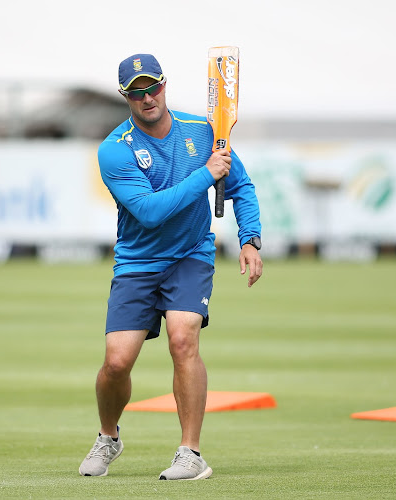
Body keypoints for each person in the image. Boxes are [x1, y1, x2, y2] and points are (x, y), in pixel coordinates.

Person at [79, 53, 263, 480]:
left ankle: (190, 452)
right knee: (117, 362)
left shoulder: (203, 131)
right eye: (137, 92)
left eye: (153, 87)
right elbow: (148, 212)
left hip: (190, 255)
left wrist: (251, 239)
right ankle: (109, 436)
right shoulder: (114, 150)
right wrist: (205, 174)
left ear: (165, 84)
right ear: (125, 96)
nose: (148, 98)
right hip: (138, 261)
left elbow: (242, 187)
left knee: (183, 339)